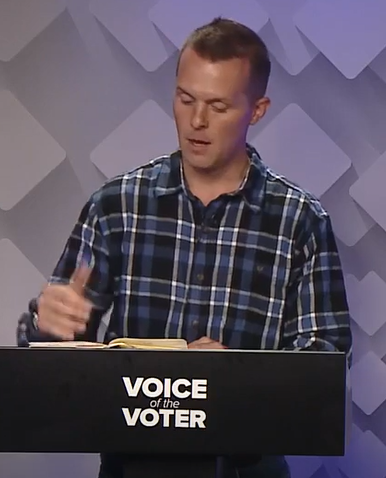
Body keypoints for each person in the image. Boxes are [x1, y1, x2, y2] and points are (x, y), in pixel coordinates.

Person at [17, 17, 352, 478]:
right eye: (186, 99)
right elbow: (56, 358)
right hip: (132, 466)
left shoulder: (300, 221)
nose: (197, 121)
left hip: (247, 469)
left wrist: (230, 379)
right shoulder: (116, 205)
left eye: (218, 106)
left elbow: (324, 366)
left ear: (257, 110)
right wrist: (47, 324)